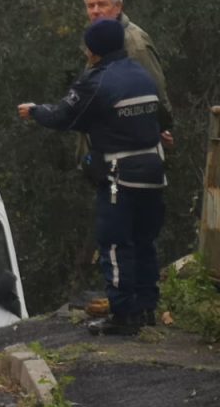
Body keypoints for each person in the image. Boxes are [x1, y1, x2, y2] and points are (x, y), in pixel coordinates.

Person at [17, 18, 167, 336]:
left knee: (115, 243)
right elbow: (159, 115)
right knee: (144, 242)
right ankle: (146, 308)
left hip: (119, 176)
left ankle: (123, 315)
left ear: (93, 51)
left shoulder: (96, 80)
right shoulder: (142, 75)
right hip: (154, 172)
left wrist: (35, 111)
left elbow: (64, 116)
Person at [81, 0, 173, 147]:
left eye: (101, 5)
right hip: (101, 144)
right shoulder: (97, 39)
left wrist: (159, 126)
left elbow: (156, 90)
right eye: (90, 5)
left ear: (118, 7)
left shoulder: (134, 44)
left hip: (129, 148)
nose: (95, 11)